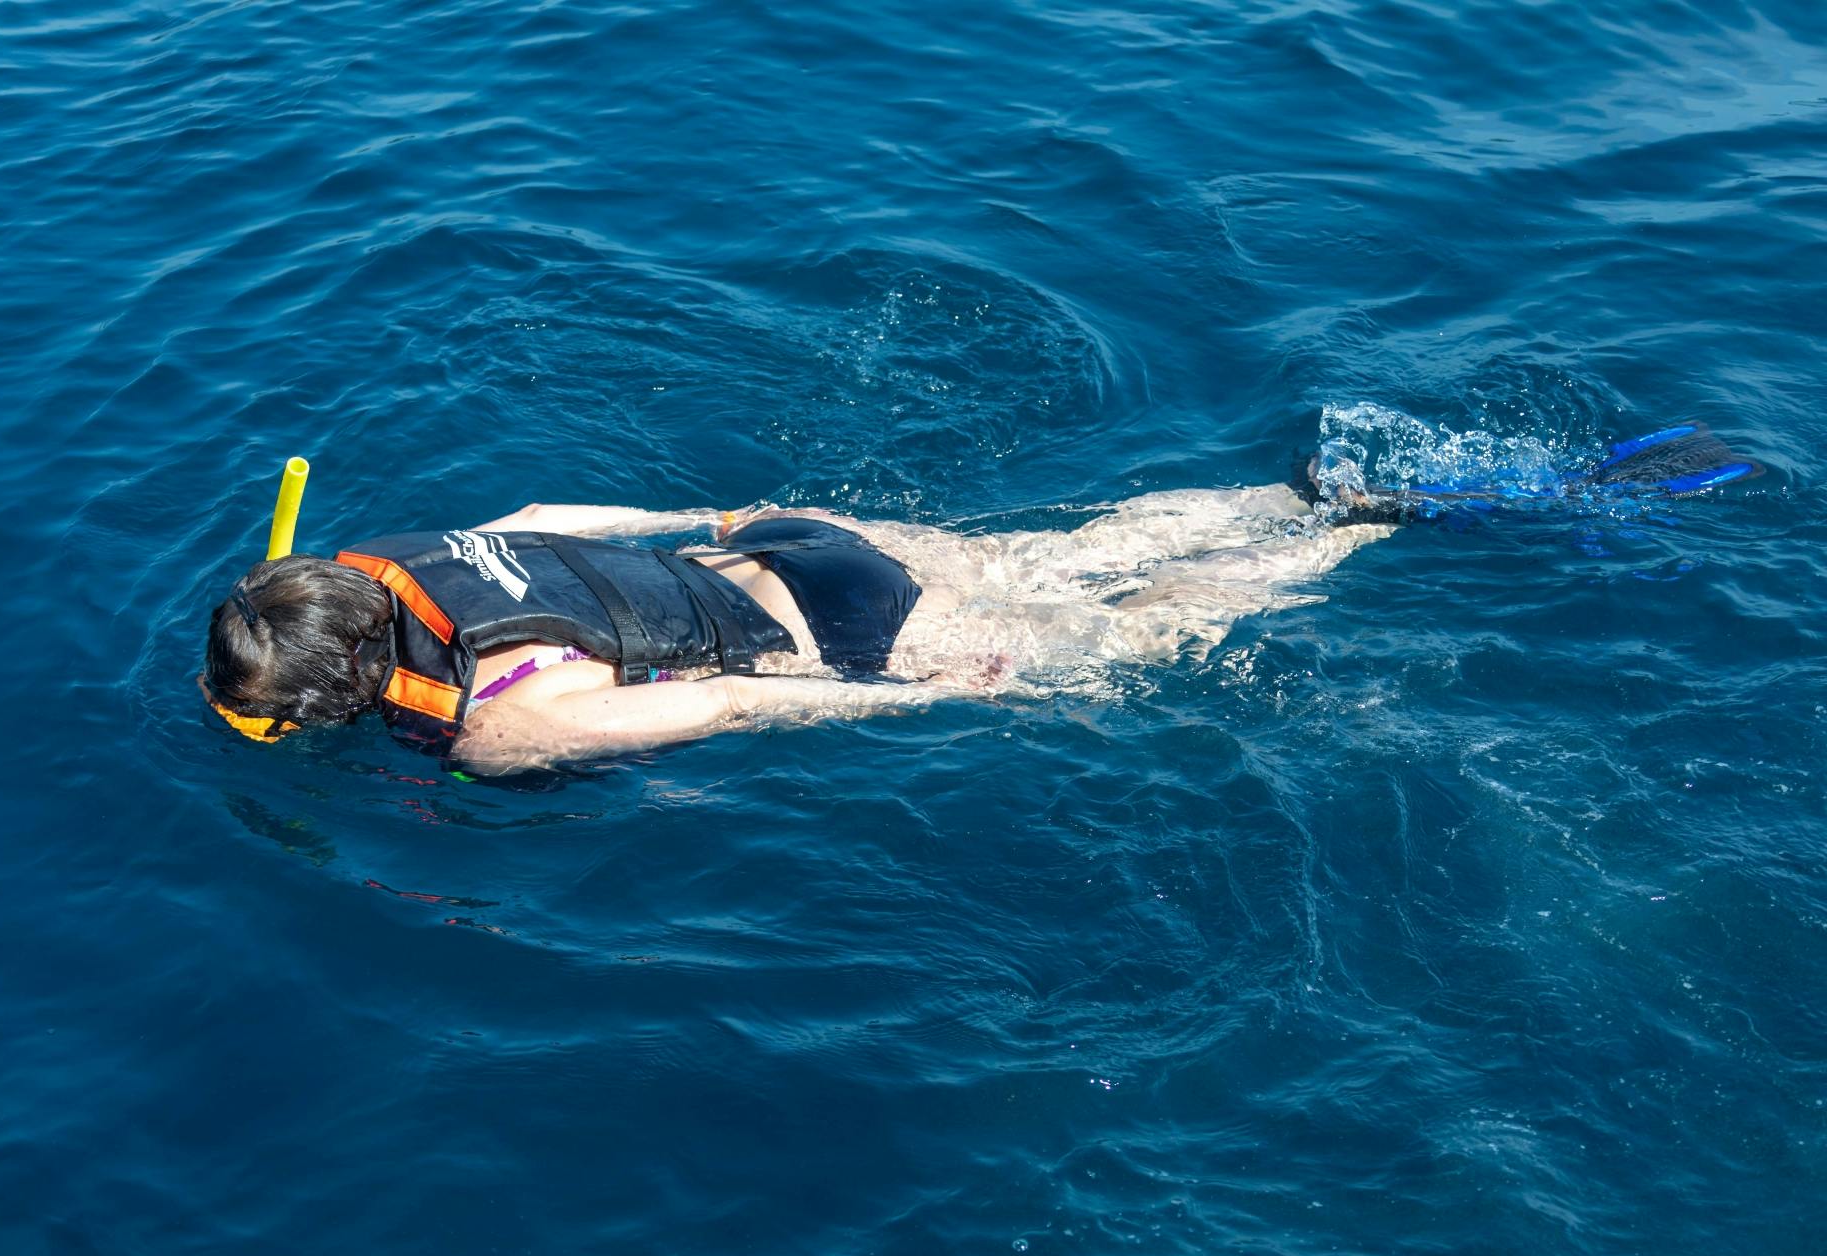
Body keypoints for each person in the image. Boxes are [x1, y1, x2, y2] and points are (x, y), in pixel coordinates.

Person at [201, 425, 1759, 773]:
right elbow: (561, 513)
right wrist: (738, 510)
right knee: (1087, 541)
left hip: (839, 634)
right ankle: (1352, 487)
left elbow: (729, 699)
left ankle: (1404, 527)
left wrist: (952, 690)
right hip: (799, 539)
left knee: (1151, 626)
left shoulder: (493, 730)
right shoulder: (434, 544)